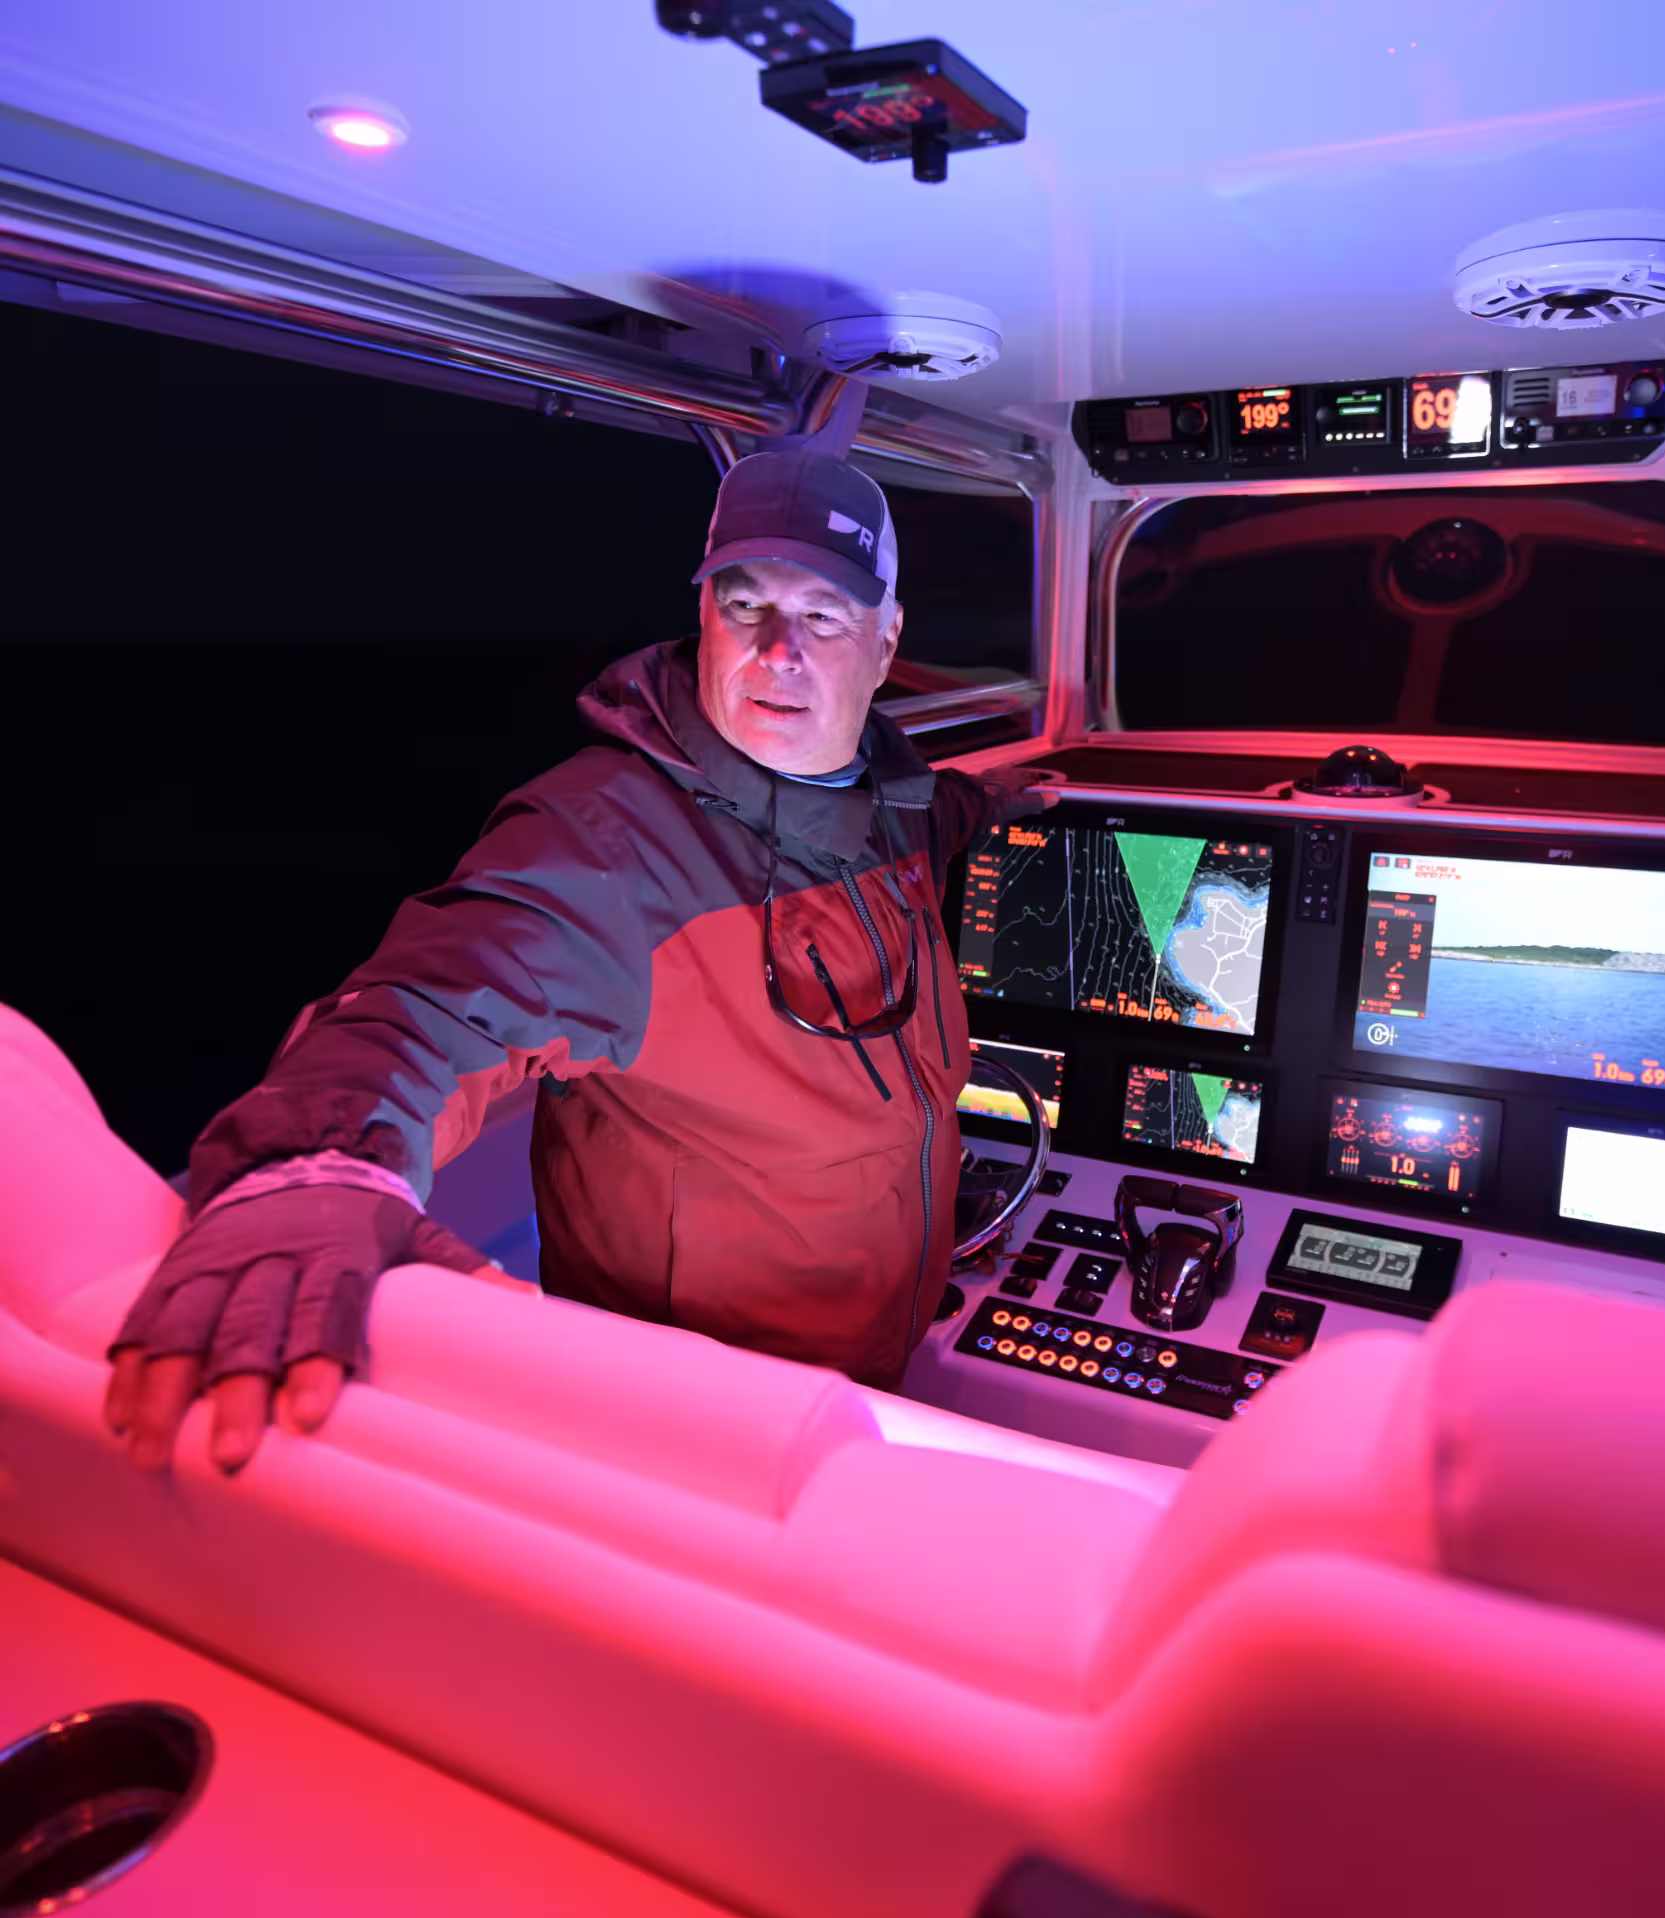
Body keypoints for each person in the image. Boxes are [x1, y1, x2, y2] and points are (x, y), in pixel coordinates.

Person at [102, 448, 1048, 1474]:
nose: (779, 651)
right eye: (744, 607)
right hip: (699, 1433)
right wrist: (317, 1163)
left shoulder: (889, 808)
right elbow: (426, 1004)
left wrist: (1000, 805)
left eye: (822, 616)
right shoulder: (603, 845)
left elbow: (928, 820)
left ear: (887, 641)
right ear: (704, 621)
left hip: (868, 1373)